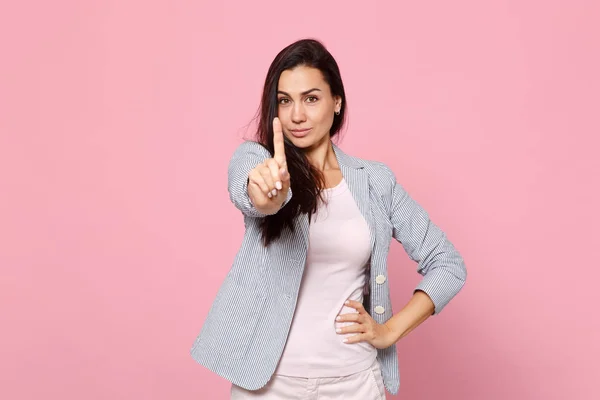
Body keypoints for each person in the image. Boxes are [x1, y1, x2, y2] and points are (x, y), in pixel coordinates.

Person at [190, 38, 467, 399]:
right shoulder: (257, 160)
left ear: (337, 102)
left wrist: (389, 331)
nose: (297, 116)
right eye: (285, 101)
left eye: (311, 98)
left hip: (354, 383)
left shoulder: (375, 182)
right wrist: (267, 192)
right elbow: (254, 195)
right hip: (269, 387)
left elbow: (448, 264)